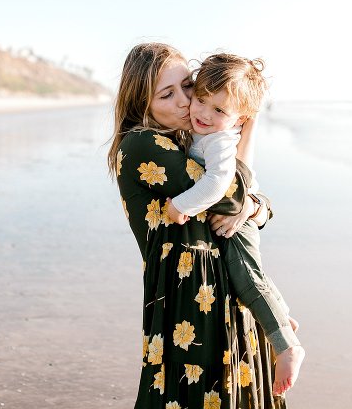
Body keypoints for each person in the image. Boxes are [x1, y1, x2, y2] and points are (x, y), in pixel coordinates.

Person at [109, 43, 286, 408]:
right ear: (140, 102)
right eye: (166, 94)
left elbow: (252, 203)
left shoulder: (191, 141)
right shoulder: (142, 144)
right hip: (186, 305)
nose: (185, 102)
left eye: (188, 86)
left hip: (221, 291)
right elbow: (232, 195)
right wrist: (247, 133)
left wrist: (256, 206)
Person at [165, 53, 305, 395]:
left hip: (238, 219)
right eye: (200, 100)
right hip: (246, 207)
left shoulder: (219, 141)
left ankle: (288, 346)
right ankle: (280, 315)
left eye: (218, 110)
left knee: (243, 271)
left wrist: (180, 205)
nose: (203, 113)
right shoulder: (209, 128)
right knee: (250, 272)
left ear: (238, 118)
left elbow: (218, 183)